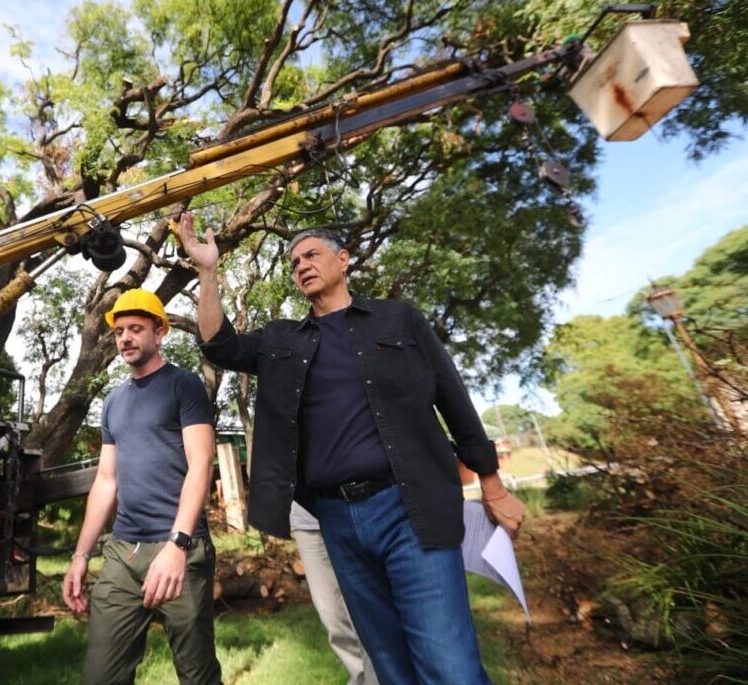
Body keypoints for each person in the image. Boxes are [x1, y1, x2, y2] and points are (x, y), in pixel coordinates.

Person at [177, 213, 526, 685]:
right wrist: (207, 271)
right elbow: (219, 346)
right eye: (294, 262)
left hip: (409, 509)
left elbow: (454, 398)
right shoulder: (282, 340)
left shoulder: (398, 319)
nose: (301, 265)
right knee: (391, 666)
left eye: (312, 255)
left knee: (450, 667)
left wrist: (492, 485)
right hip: (337, 521)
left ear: (343, 260)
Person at [62, 288, 222, 685]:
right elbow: (106, 480)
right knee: (101, 676)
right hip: (123, 553)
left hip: (180, 548)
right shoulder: (113, 401)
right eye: (119, 332)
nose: (125, 338)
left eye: (136, 329)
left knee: (197, 675)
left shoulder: (184, 386)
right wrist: (81, 555)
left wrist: (177, 545)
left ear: (159, 332)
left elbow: (201, 463)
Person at [291, 501, 378, 685]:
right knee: (333, 618)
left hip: (349, 509)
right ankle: (363, 679)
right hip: (305, 519)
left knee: (367, 621)